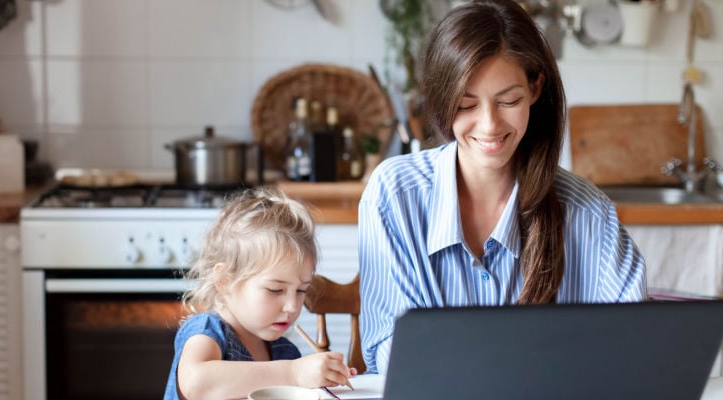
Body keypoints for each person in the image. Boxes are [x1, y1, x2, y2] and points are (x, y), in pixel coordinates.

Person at [358, 0, 647, 374]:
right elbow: (389, 353)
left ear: (536, 88)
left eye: (509, 100)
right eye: (466, 104)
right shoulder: (394, 195)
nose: (490, 125)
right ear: (442, 98)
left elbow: (632, 347)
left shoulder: (588, 212)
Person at [163, 187, 355, 400]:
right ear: (225, 280)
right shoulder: (207, 332)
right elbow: (197, 383)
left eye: (301, 290)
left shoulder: (284, 352)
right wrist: (293, 373)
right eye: (275, 290)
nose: (292, 306)